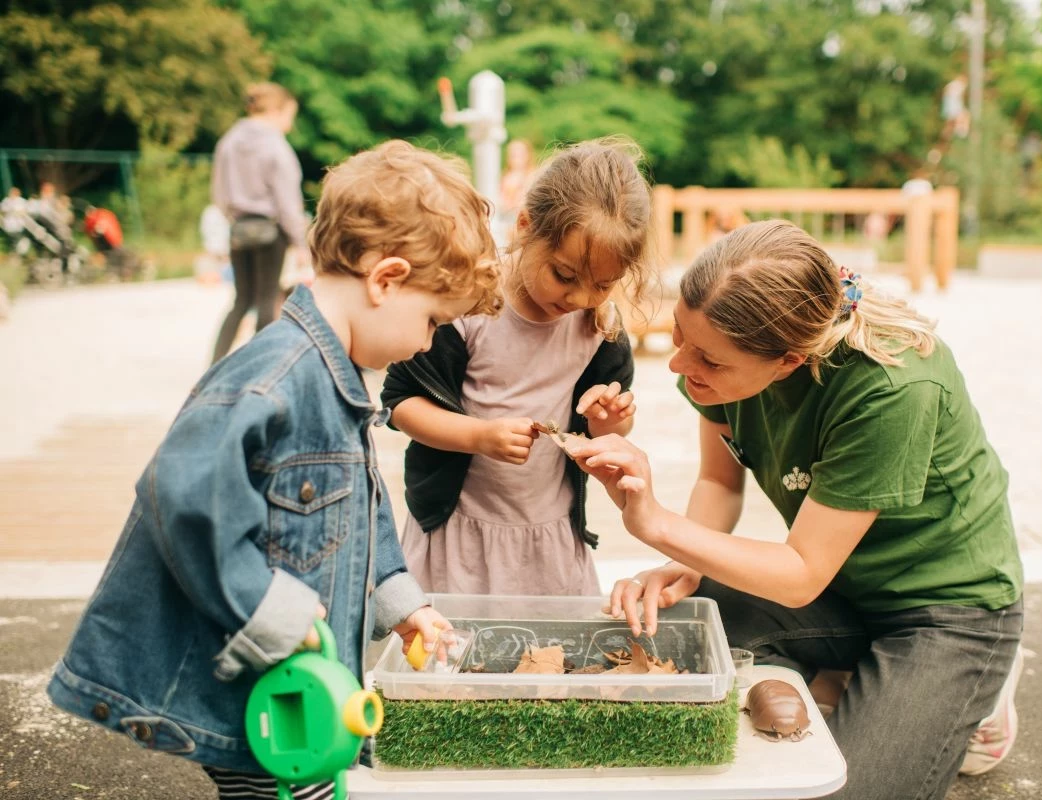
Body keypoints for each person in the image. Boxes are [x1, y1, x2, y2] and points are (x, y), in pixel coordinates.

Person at [46, 140, 503, 799]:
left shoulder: (338, 380)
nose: (426, 343)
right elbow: (183, 493)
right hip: (263, 681)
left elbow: (355, 514)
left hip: (298, 679)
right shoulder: (278, 375)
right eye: (431, 322)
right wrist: (268, 610)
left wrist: (401, 604)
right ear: (387, 280)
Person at [566, 220, 1024, 799]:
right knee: (658, 647)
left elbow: (802, 573)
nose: (680, 366)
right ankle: (855, 681)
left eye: (707, 358)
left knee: (842, 792)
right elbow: (718, 479)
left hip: (945, 608)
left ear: (787, 360)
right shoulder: (723, 358)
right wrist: (682, 564)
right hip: (836, 587)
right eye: (679, 335)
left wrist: (657, 523)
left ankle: (970, 697)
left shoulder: (890, 387)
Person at [380, 138, 654, 596]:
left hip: (549, 539)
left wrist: (608, 424)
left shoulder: (599, 329)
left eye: (603, 285)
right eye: (564, 275)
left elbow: (601, 435)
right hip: (458, 535)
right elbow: (400, 403)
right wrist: (479, 436)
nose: (579, 299)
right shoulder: (467, 307)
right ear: (526, 226)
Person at [210, 81, 308, 363]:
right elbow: (287, 200)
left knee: (241, 301)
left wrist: (234, 218)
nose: (289, 124)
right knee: (267, 301)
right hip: (270, 231)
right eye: (289, 116)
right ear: (277, 111)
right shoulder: (276, 146)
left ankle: (214, 364)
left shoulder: (228, 141)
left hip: (239, 229)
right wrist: (299, 240)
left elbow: (218, 193)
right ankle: (261, 365)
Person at [496, 138, 538, 246]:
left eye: (519, 155)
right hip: (505, 220)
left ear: (527, 155)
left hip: (522, 221)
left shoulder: (532, 176)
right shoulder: (505, 176)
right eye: (512, 155)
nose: (515, 158)